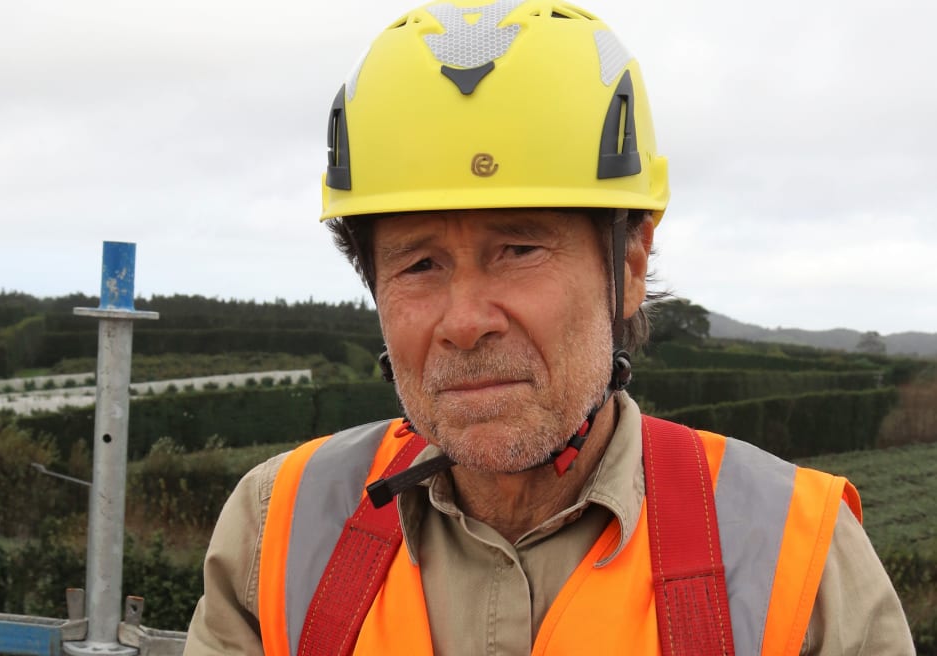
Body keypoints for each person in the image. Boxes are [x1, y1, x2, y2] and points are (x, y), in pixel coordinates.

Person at [184, 1, 914, 653]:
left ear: (628, 263)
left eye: (520, 250)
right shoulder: (276, 528)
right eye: (420, 264)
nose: (464, 323)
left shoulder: (798, 558)